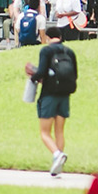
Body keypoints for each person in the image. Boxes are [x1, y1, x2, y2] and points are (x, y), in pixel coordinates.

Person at [24, 24, 78, 177]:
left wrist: (32, 76)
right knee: (59, 131)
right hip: (65, 94)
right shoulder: (69, 51)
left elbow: (41, 72)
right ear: (60, 37)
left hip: (49, 94)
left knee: (44, 132)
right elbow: (75, 74)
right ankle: (59, 162)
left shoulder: (46, 50)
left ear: (47, 37)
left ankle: (56, 154)